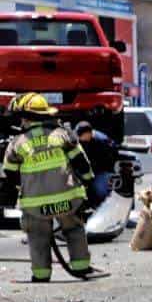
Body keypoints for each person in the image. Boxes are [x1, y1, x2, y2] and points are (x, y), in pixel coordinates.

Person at [1, 94, 94, 282]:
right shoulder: (63, 135)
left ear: (26, 118)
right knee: (74, 229)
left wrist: (23, 187)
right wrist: (87, 183)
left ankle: (41, 275)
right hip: (67, 199)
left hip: (35, 205)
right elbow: (82, 164)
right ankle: (82, 267)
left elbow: (9, 173)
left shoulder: (17, 143)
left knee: (37, 236)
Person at [74, 121, 118, 206]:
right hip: (91, 170)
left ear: (88, 133)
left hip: (102, 171)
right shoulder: (82, 139)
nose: (79, 138)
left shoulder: (101, 142)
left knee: (100, 190)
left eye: (81, 136)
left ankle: (105, 207)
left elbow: (110, 158)